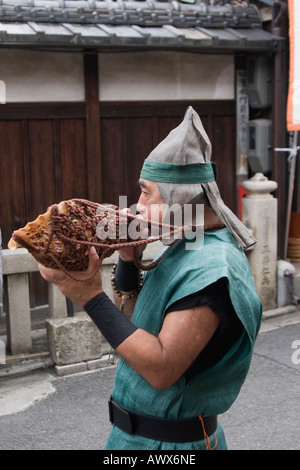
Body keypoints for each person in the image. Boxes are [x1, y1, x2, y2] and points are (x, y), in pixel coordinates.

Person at [39, 107, 262, 450]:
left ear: (179, 195)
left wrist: (87, 295)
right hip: (134, 440)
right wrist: (129, 260)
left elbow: (160, 368)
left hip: (172, 447)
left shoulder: (212, 266)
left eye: (146, 192)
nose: (137, 204)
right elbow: (137, 331)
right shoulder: (185, 246)